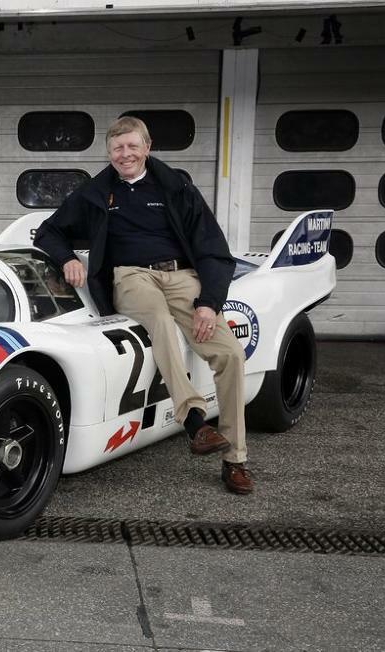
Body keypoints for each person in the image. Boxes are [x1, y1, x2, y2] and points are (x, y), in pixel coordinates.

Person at [33, 116, 253, 494]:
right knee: (159, 321)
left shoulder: (176, 187)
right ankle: (195, 421)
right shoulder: (96, 193)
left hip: (183, 277)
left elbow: (214, 250)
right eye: (118, 148)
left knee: (230, 354)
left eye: (133, 146)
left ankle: (235, 459)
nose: (125, 154)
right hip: (132, 277)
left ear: (147, 148)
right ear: (109, 152)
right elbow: (50, 230)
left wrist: (208, 303)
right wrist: (67, 257)